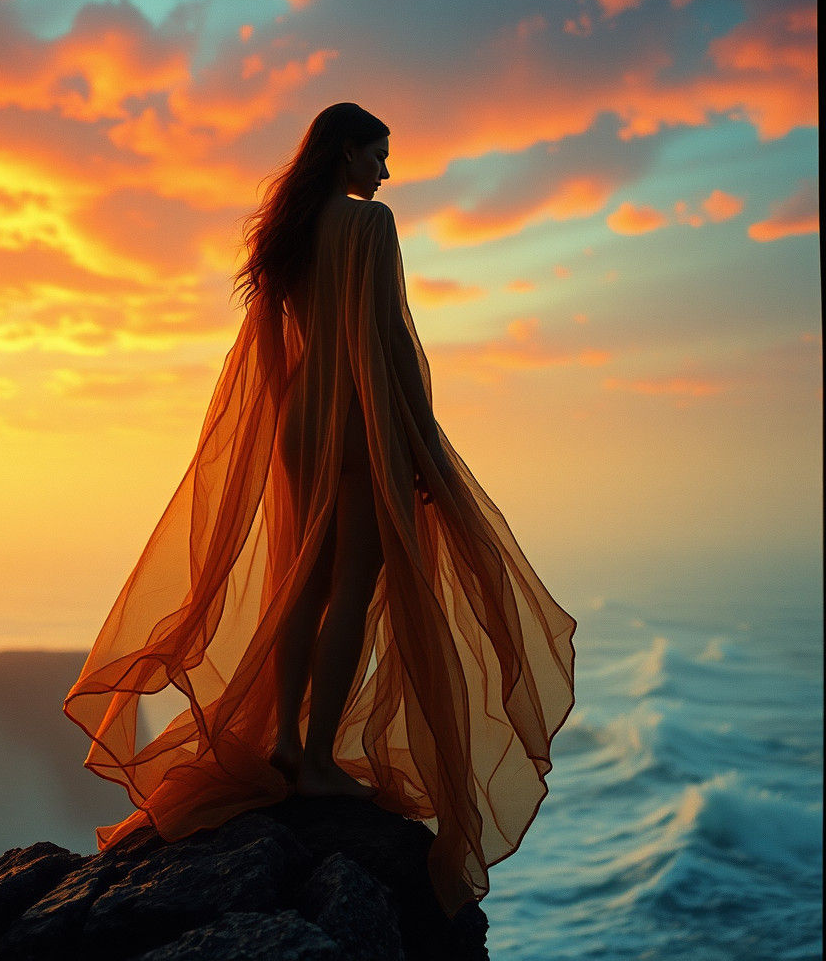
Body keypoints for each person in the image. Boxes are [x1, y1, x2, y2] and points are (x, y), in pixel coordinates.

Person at [64, 103, 576, 919]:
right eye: (379, 154)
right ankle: (316, 762)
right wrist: (419, 442)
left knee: (303, 580)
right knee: (357, 575)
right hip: (359, 415)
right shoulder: (367, 226)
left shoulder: (287, 232)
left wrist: (291, 426)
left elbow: (275, 349)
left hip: (302, 419)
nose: (385, 171)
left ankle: (286, 742)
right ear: (345, 154)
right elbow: (389, 339)